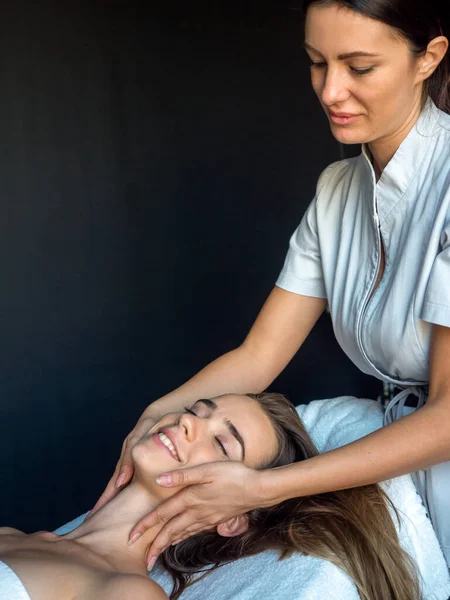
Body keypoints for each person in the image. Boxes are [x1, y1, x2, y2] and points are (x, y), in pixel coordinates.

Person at [92, 0, 450, 572]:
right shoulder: (338, 189)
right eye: (316, 63)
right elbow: (258, 356)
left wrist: (264, 488)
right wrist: (155, 416)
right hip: (402, 471)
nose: (330, 91)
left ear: (428, 58)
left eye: (358, 67)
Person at [0, 393, 419, 600]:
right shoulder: (14, 535)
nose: (187, 422)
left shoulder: (128, 591)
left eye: (222, 444)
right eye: (199, 411)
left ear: (234, 515)